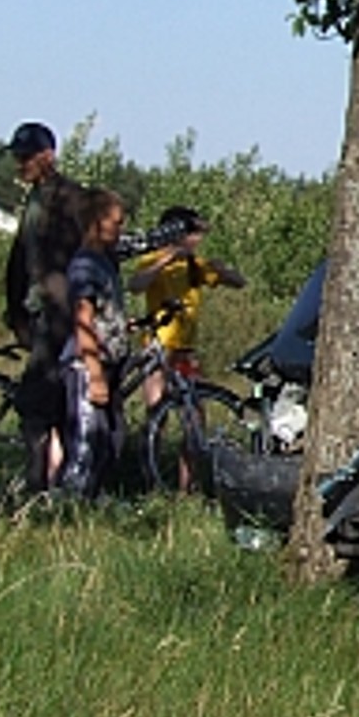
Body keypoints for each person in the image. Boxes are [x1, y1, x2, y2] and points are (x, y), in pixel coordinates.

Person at [2, 121, 87, 490]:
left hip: (62, 315)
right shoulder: (35, 199)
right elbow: (19, 259)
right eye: (17, 158)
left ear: (47, 157)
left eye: (25, 157)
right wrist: (16, 312)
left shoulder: (72, 199)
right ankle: (42, 482)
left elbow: (92, 259)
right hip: (40, 313)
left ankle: (44, 486)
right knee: (42, 402)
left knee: (50, 401)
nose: (19, 164)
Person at [126, 204, 248, 409]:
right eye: (194, 234)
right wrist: (165, 260)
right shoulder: (152, 259)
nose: (198, 240)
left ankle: (193, 441)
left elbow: (239, 282)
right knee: (156, 402)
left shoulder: (193, 264)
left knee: (195, 403)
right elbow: (136, 285)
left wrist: (224, 271)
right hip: (160, 343)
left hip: (185, 345)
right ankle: (151, 438)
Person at [56, 188, 132, 498]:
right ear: (97, 222)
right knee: (87, 441)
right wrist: (95, 374)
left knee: (112, 439)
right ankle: (69, 506)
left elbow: (104, 315)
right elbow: (83, 319)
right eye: (116, 221)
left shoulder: (106, 262)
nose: (121, 228)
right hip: (86, 366)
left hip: (108, 363)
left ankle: (95, 498)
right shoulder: (85, 265)